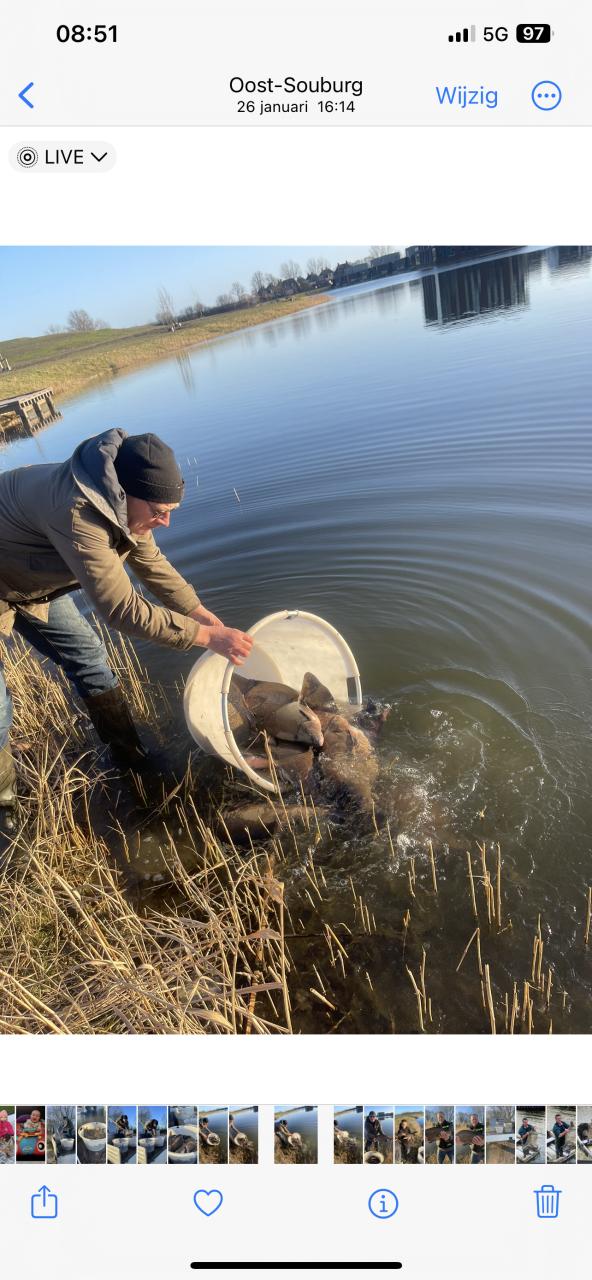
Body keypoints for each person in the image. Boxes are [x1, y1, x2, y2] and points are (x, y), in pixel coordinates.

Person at [0, 429, 253, 842]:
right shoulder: (78, 512)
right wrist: (207, 639)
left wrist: (200, 614)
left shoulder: (122, 499)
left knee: (89, 657)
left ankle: (130, 756)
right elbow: (121, 608)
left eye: (170, 511)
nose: (166, 521)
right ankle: (5, 805)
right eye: (159, 511)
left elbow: (151, 561)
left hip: (28, 577)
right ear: (127, 493)